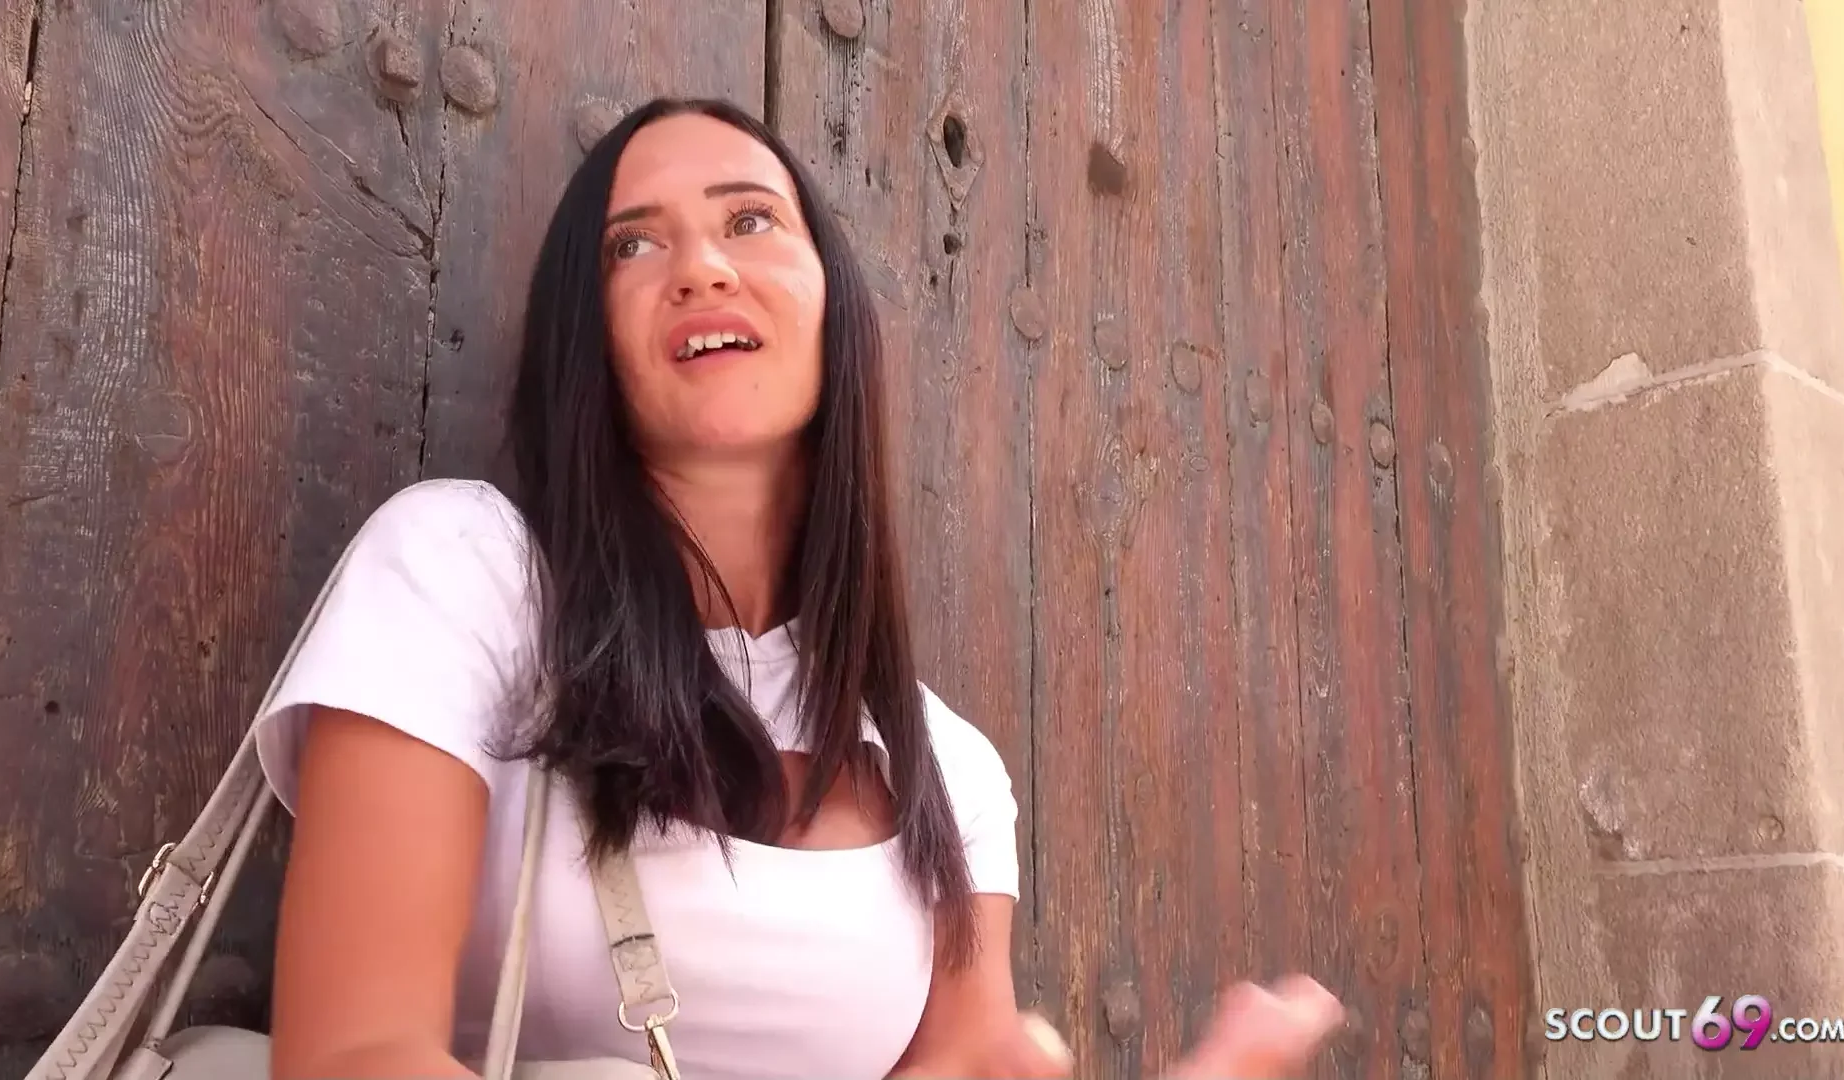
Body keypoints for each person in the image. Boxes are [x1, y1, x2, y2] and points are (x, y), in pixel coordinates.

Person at [255, 96, 1344, 1080]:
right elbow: (352, 1055)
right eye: (633, 244)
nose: (701, 268)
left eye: (749, 220)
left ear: (834, 303)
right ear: (588, 340)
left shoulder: (947, 769)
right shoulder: (464, 568)